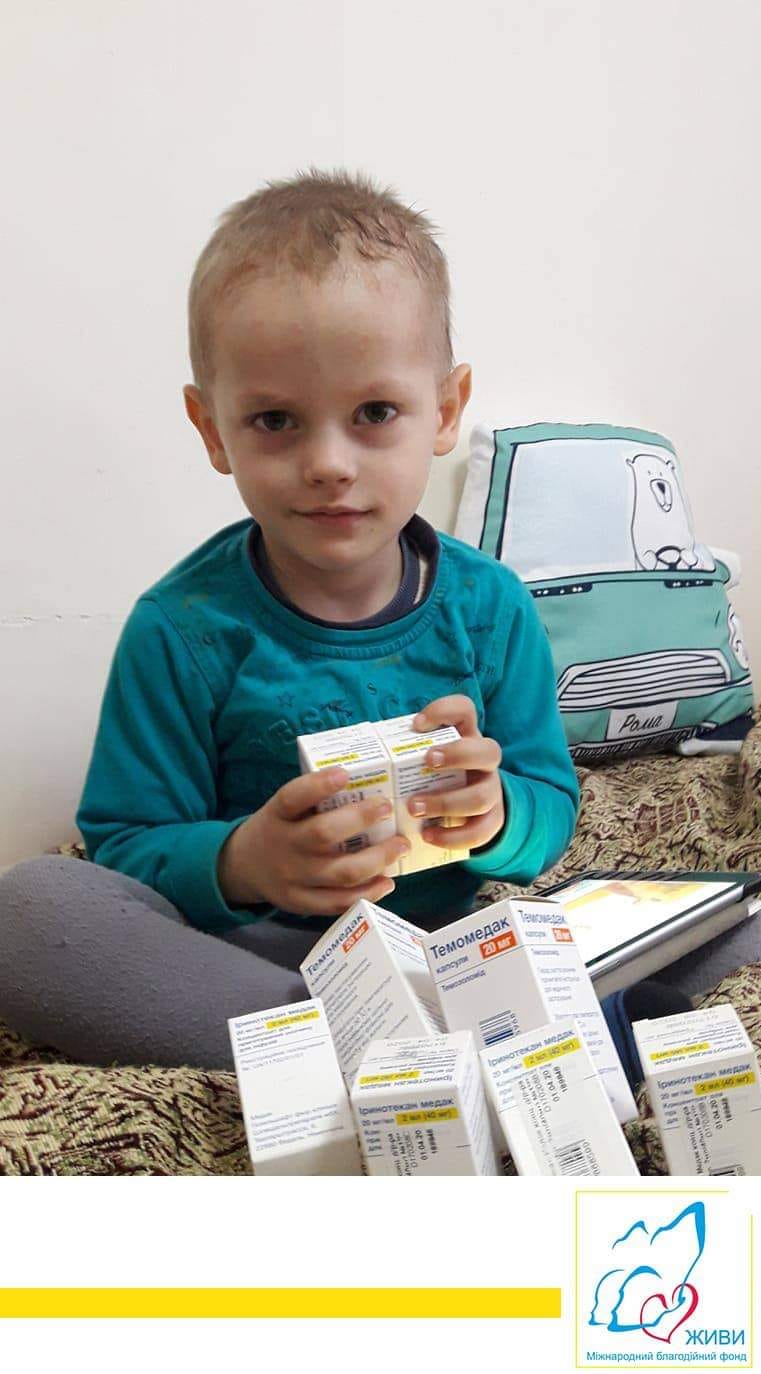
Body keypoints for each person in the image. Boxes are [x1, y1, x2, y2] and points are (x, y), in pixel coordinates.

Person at [0, 165, 580, 1070]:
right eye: (275, 421)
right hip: (258, 965)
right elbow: (127, 845)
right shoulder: (180, 629)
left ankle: (384, 1050)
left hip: (449, 955)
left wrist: (497, 812)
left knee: (729, 932)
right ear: (212, 430)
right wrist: (245, 861)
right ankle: (357, 1051)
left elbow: (552, 805)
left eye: (375, 412)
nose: (329, 463)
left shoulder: (490, 606)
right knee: (27, 911)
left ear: (445, 411)